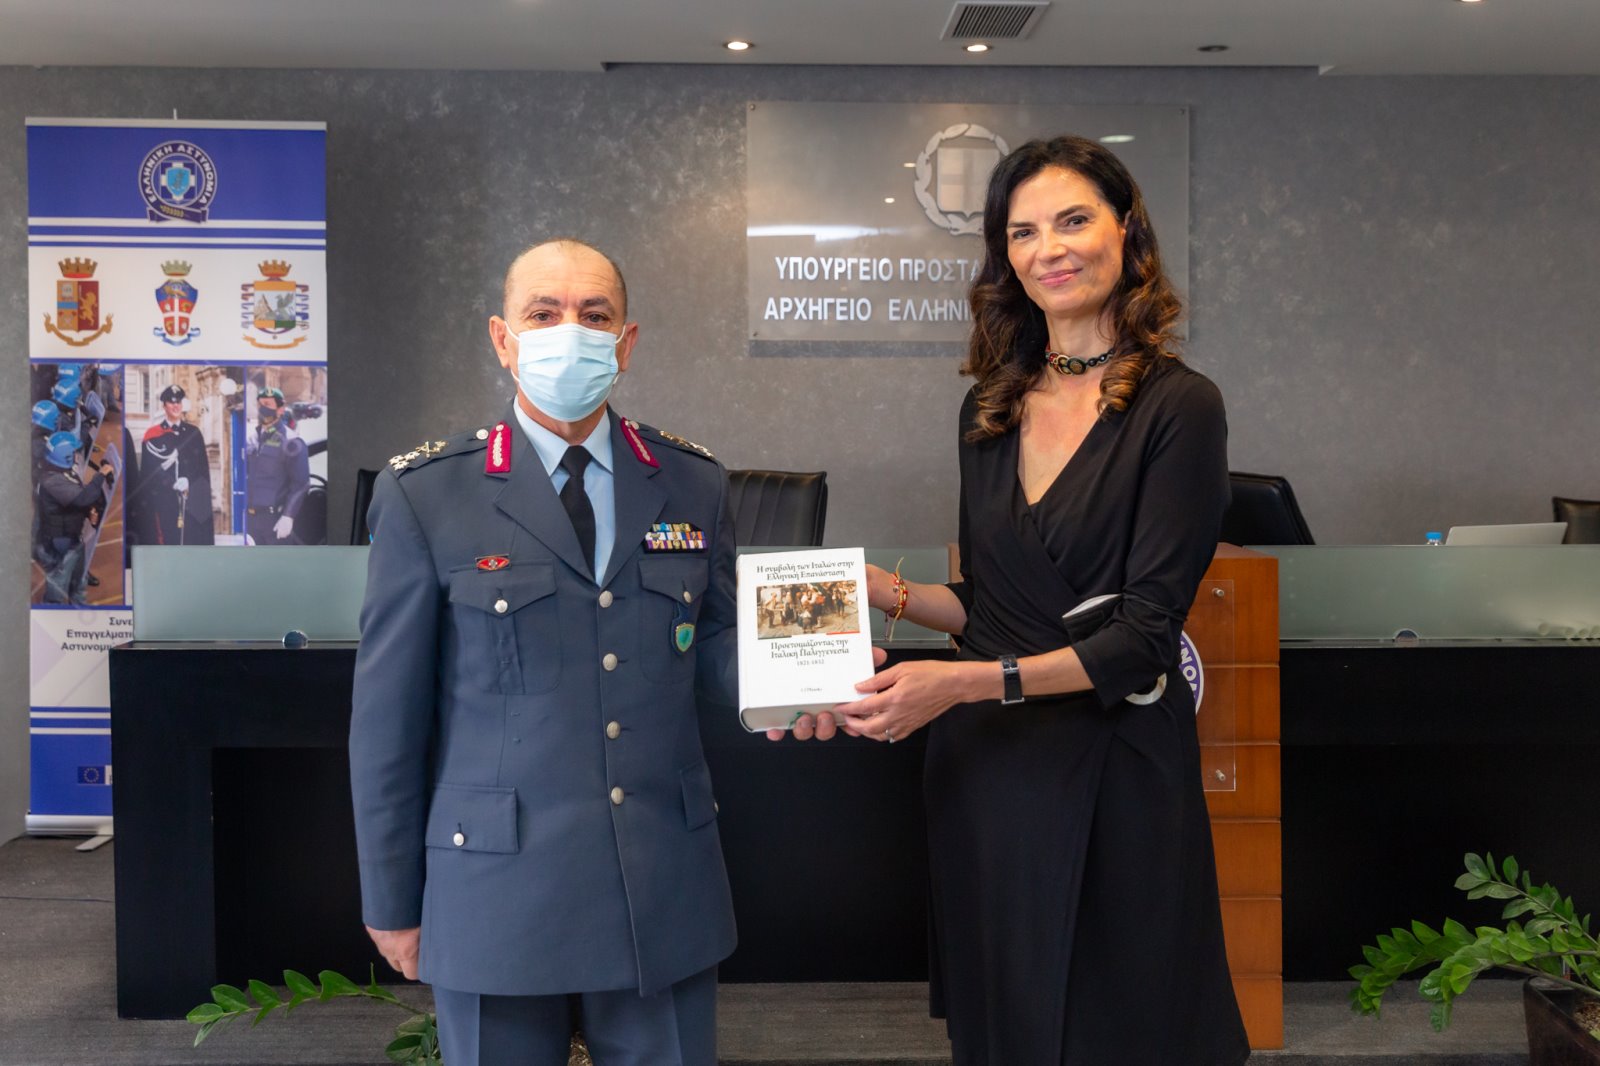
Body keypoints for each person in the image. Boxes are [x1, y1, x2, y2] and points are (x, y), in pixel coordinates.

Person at [777, 136, 1250, 1064]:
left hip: (1115, 764)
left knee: (1121, 1024)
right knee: (1006, 1028)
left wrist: (955, 686)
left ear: (1127, 231)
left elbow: (1142, 637)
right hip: (991, 773)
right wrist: (886, 593)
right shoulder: (990, 407)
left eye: (1073, 220)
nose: (1049, 249)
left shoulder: (1180, 407)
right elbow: (996, 605)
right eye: (1023, 232)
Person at [350, 238, 738, 1066]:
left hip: (659, 882)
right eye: (544, 313)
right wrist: (390, 899)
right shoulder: (427, 493)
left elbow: (713, 646)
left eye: (595, 315)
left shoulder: (693, 481)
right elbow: (387, 722)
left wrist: (804, 683)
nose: (571, 331)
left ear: (626, 342)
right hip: (495, 891)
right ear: (504, 339)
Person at [36, 431, 114, 605]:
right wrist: (100, 475)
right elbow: (82, 498)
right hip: (61, 540)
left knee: (78, 579)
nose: (77, 455)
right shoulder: (53, 481)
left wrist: (88, 512)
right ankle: (52, 612)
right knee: (57, 586)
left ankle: (78, 605)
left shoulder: (59, 472)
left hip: (70, 537)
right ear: (64, 457)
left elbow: (73, 498)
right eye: (74, 452)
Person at [130, 384, 213, 545]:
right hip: (164, 503)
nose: (175, 406)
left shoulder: (194, 433)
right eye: (171, 402)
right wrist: (171, 483)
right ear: (164, 406)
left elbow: (202, 469)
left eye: (178, 402)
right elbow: (149, 473)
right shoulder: (153, 436)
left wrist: (189, 480)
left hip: (192, 504)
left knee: (190, 543)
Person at [244, 387, 310, 545]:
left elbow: (301, 483)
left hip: (275, 522)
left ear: (280, 410)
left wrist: (288, 516)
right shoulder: (252, 439)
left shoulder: (291, 441)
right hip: (251, 521)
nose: (262, 408)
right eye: (260, 404)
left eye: (267, 404)